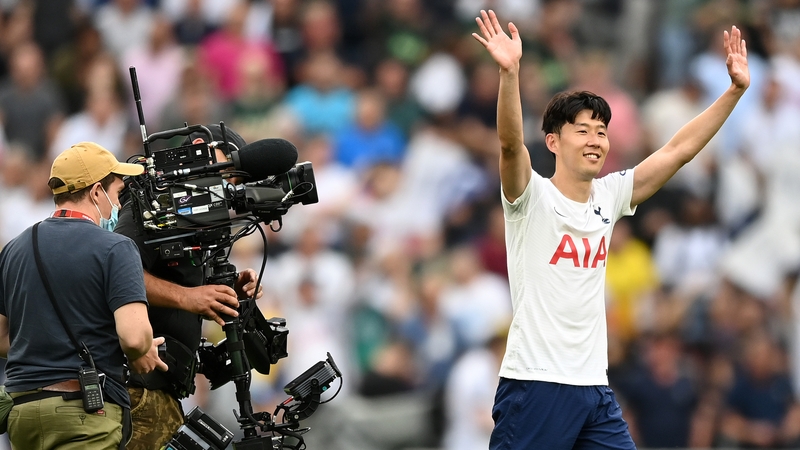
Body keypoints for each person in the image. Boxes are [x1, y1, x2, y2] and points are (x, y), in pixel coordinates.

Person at [472, 9, 750, 449]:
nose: (595, 140)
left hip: (593, 387)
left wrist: (734, 92)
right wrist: (510, 73)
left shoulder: (610, 195)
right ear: (552, 142)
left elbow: (677, 151)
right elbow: (509, 145)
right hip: (536, 384)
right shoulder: (530, 197)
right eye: (581, 130)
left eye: (601, 131)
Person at [0, 141, 168, 449]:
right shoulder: (116, 248)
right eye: (117, 194)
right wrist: (141, 349)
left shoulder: (13, 249)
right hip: (82, 412)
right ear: (95, 192)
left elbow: (0, 338)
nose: (119, 206)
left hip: (21, 413)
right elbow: (133, 339)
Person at [114, 124, 263, 449]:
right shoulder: (153, 202)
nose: (227, 186)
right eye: (225, 172)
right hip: (137, 386)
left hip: (164, 388)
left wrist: (226, 292)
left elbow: (183, 292)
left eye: (234, 182)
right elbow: (118, 272)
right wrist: (191, 297)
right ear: (199, 151)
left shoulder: (197, 218)